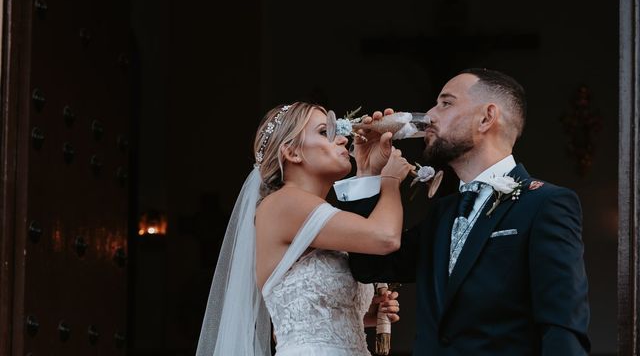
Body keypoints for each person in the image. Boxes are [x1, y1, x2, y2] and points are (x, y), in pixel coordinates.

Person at [336, 68, 591, 355]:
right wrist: (368, 174)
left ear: (486, 117)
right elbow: (370, 267)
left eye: (446, 103)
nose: (430, 114)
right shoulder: (442, 213)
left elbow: (562, 326)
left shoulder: (545, 204)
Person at [195, 102, 415, 356]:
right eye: (324, 132)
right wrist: (389, 180)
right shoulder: (284, 204)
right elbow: (384, 237)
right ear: (292, 153)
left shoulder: (313, 218)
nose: (343, 139)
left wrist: (362, 315)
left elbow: (288, 328)